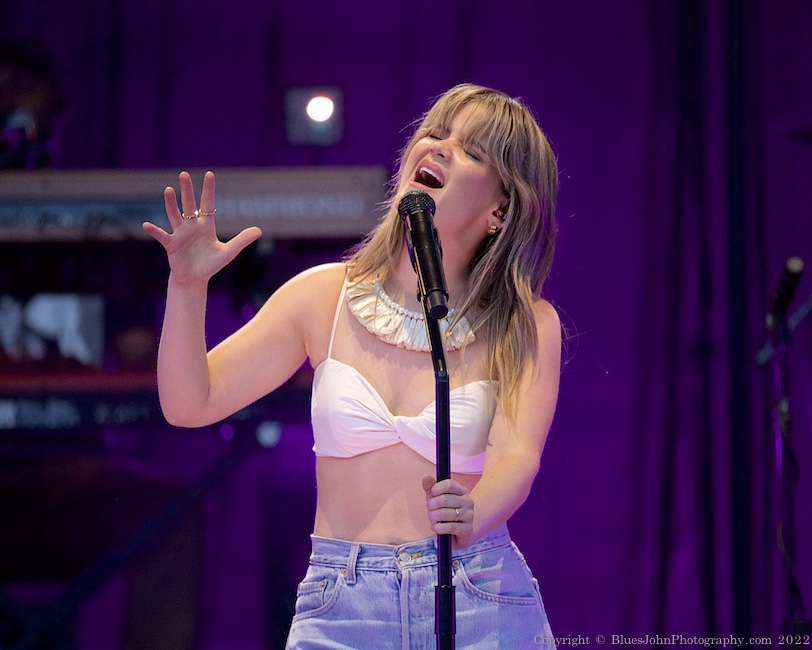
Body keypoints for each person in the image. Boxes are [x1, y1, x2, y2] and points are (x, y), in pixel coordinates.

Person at [143, 83, 561, 649]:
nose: (438, 148)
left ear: (501, 208)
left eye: (471, 151)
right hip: (344, 602)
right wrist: (187, 286)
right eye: (435, 133)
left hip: (478, 594)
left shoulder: (525, 320)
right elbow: (189, 403)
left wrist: (473, 511)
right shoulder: (322, 296)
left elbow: (518, 454)